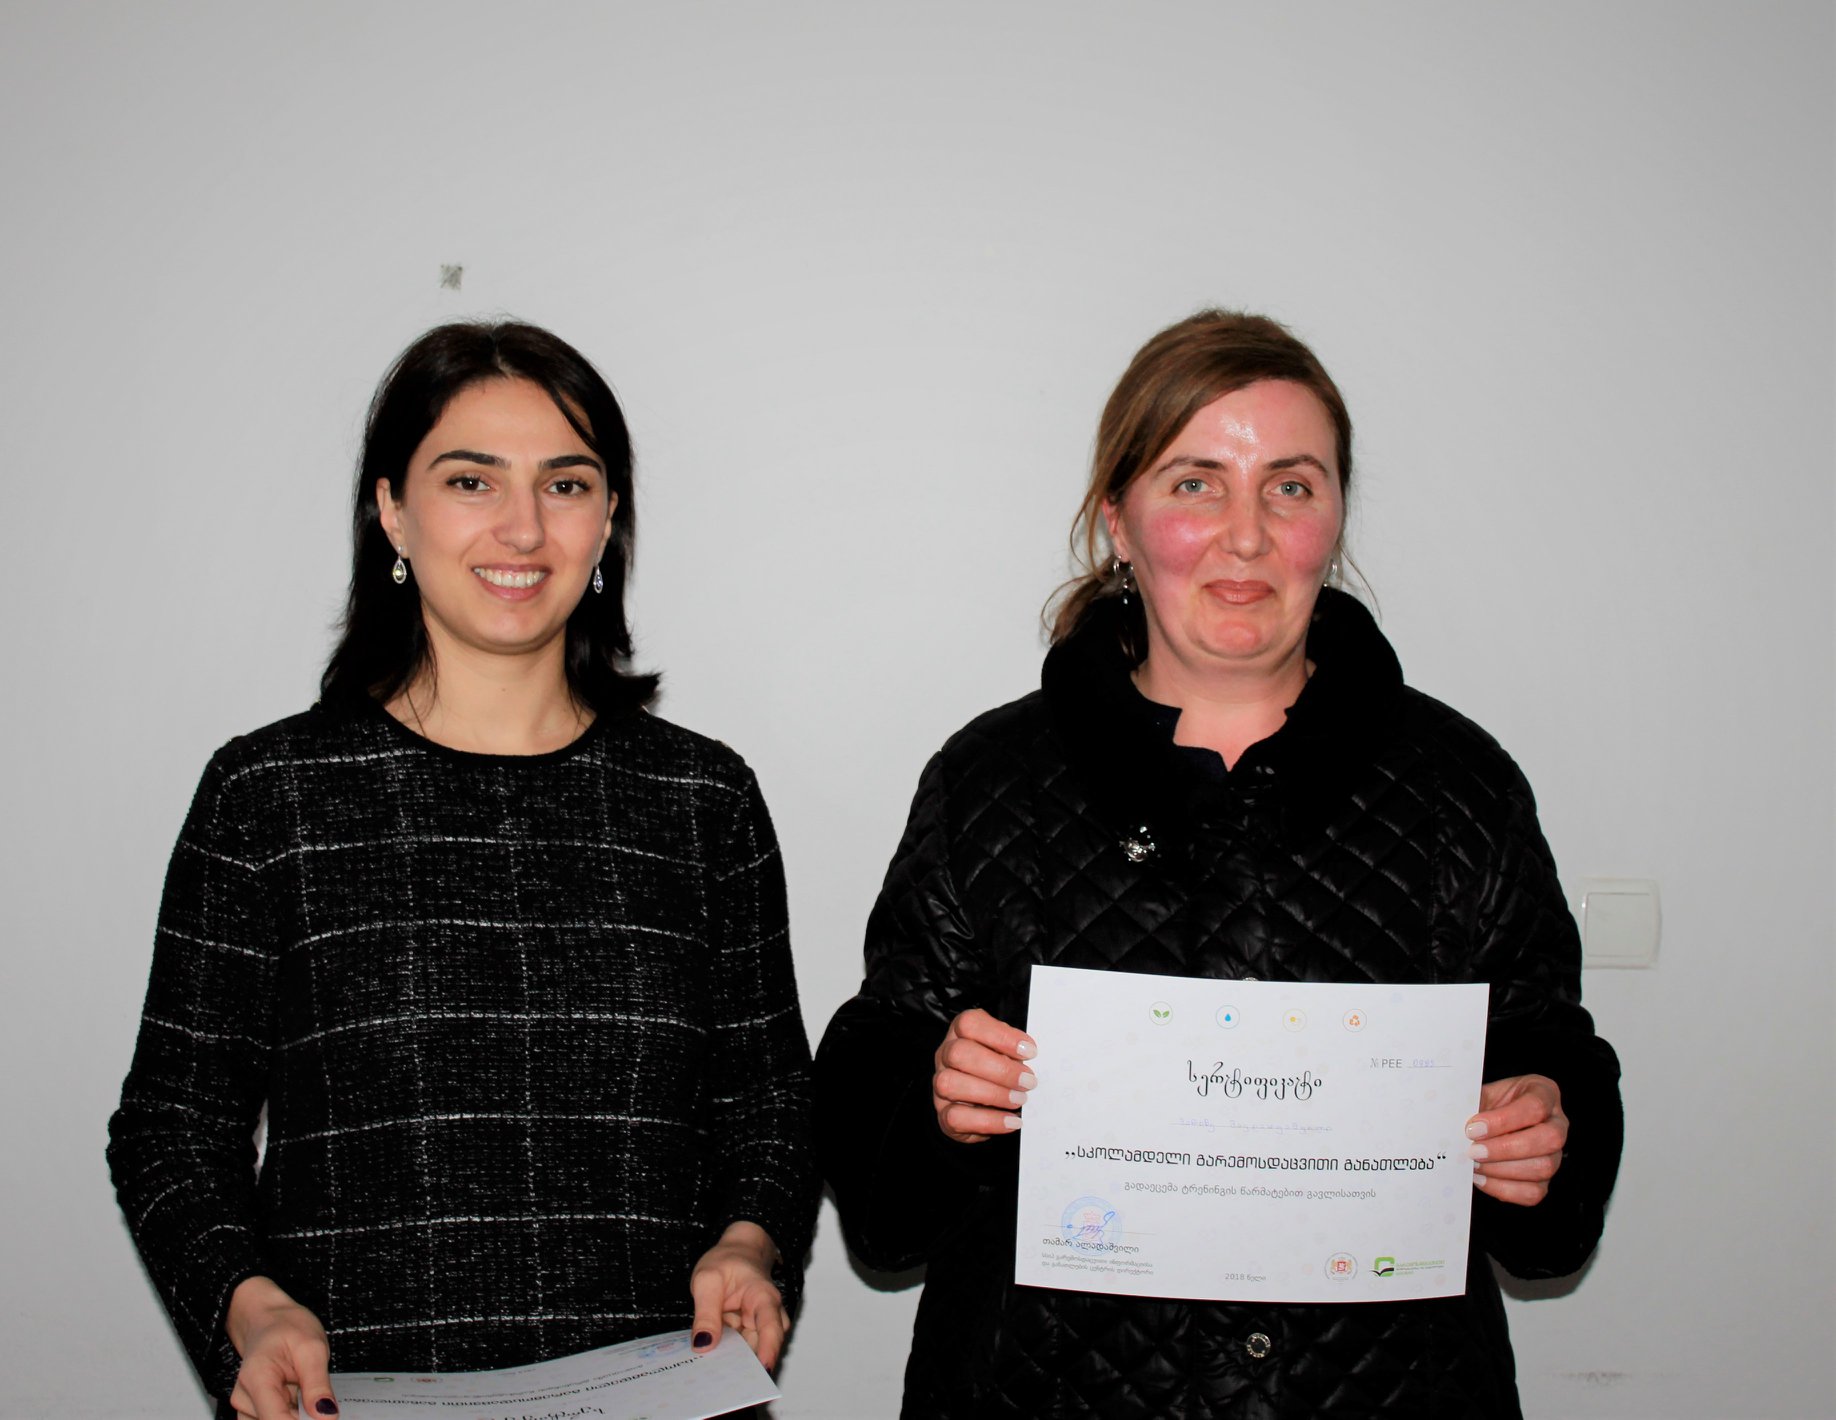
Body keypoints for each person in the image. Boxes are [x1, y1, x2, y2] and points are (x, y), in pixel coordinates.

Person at [815, 310, 1623, 1418]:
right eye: (1196, 483)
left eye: (1290, 486)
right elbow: (879, 1147)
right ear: (1118, 518)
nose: (1246, 535)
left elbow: (1547, 1054)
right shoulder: (989, 780)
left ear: (1334, 518)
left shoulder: (1459, 783)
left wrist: (1545, 1132)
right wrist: (939, 1104)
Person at [108, 322, 815, 1420]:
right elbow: (172, 1126)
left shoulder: (701, 800)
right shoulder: (269, 795)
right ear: (393, 510)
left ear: (608, 518)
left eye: (566, 484)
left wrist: (750, 1239)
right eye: (471, 480)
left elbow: (770, 1103)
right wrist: (248, 1306)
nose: (522, 527)